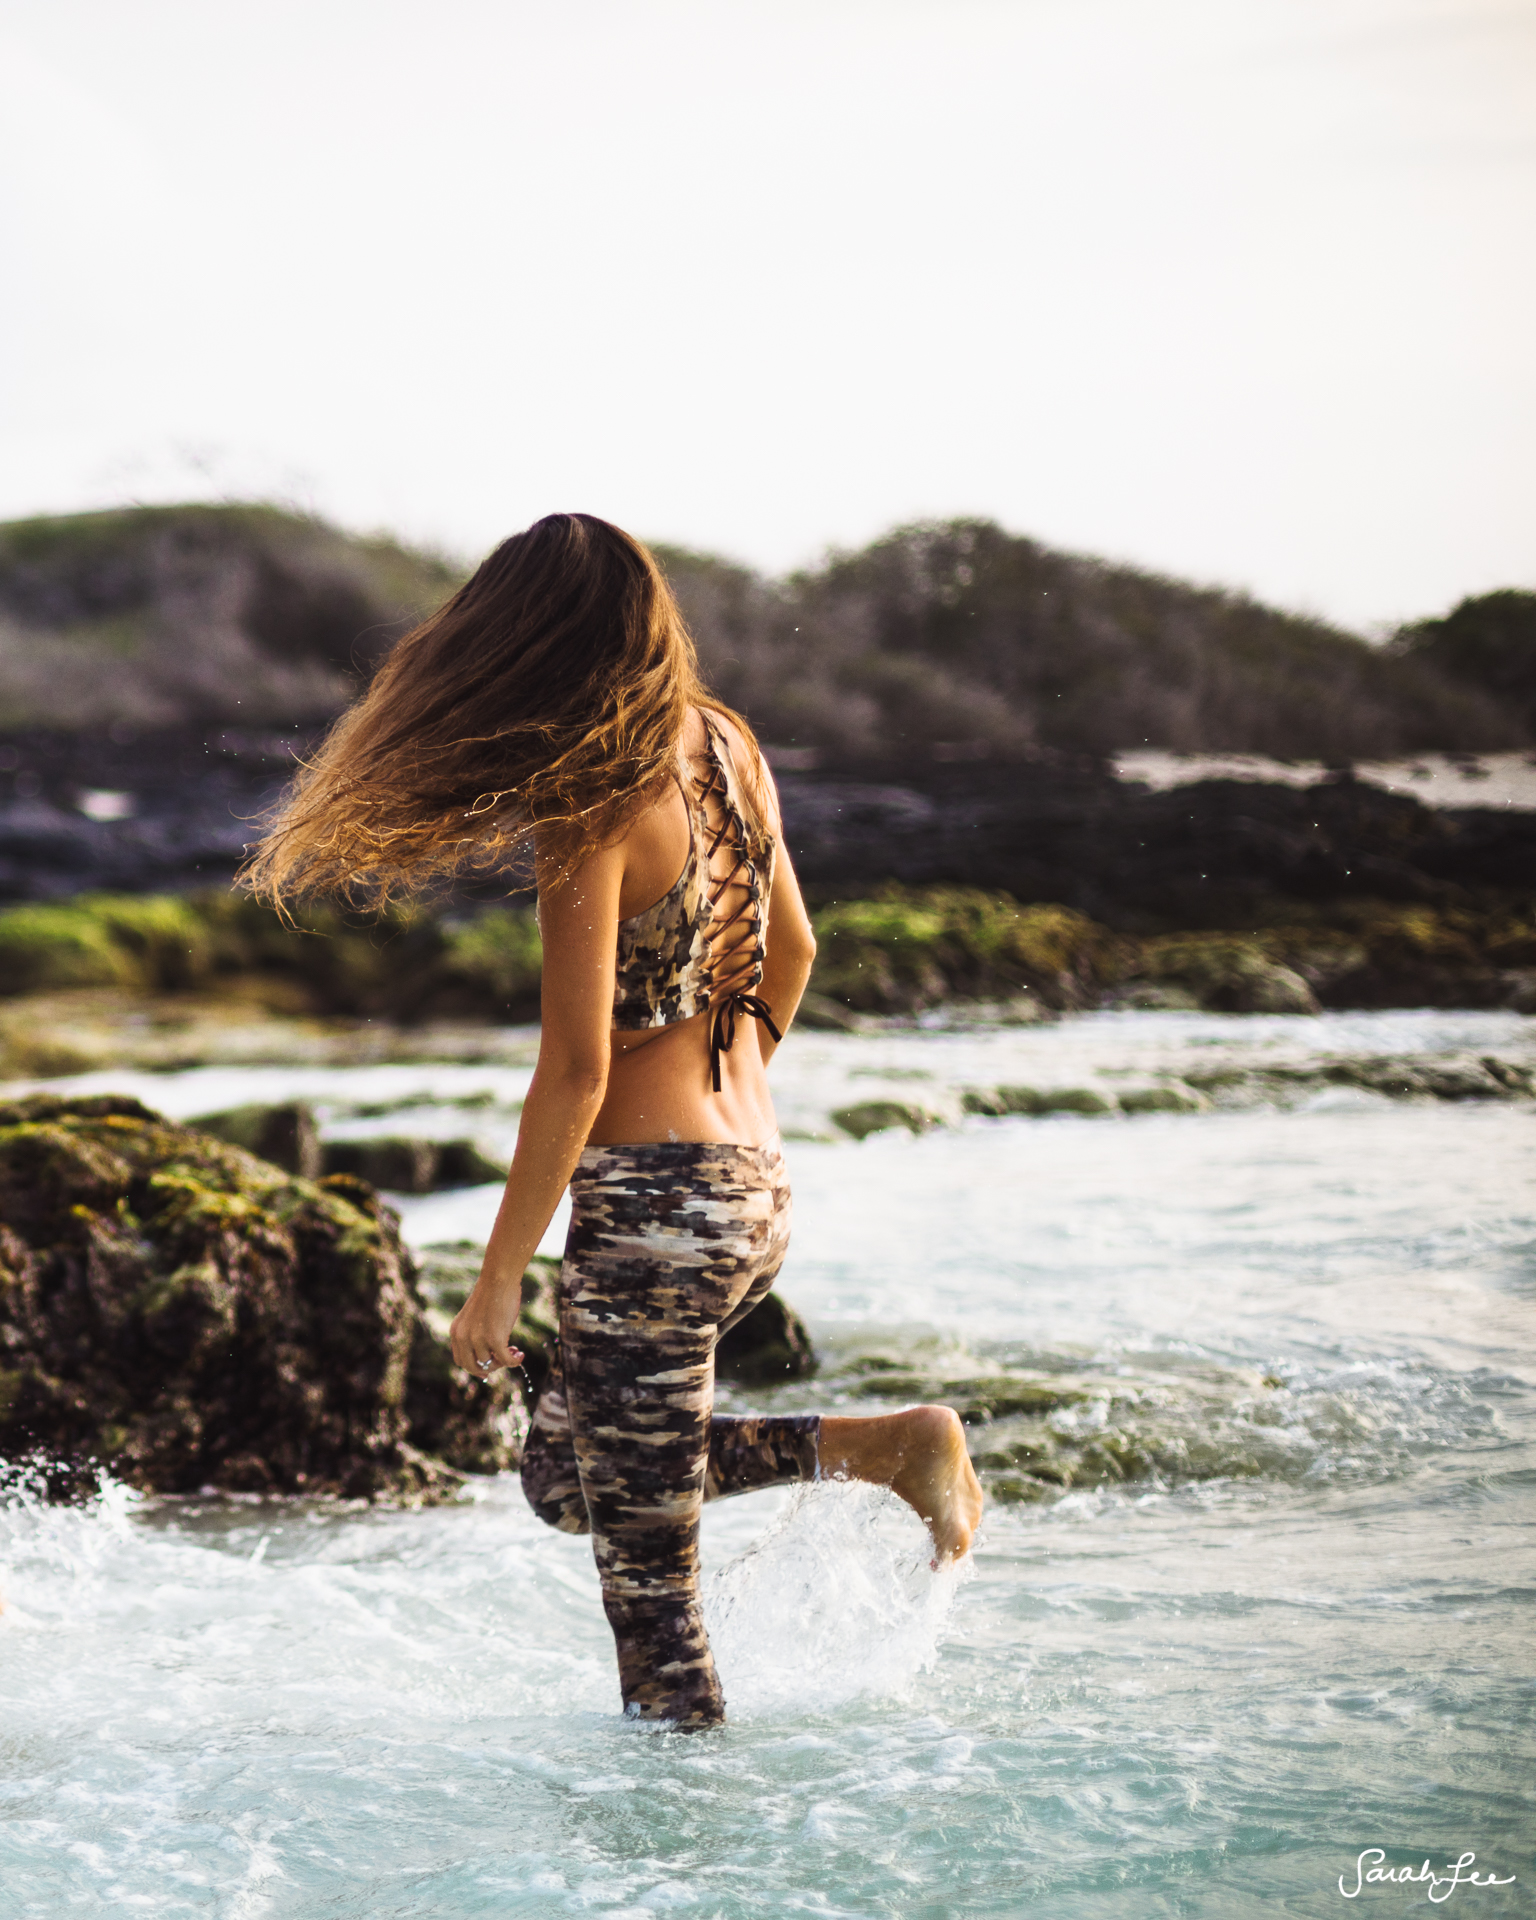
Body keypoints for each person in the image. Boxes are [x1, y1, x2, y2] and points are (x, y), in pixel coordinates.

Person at [242, 512, 982, 1728]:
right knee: (564, 1476)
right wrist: (720, 1090)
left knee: (655, 1620)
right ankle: (879, 1447)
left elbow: (575, 1070)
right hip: (751, 1182)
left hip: (653, 1214)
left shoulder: (590, 799)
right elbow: (791, 949)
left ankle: (666, 1877)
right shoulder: (729, 745)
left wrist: (495, 1280)